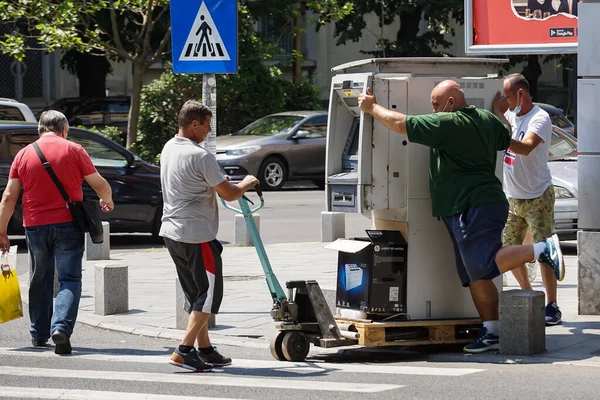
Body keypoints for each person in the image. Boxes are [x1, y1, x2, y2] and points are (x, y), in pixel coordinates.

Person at [357, 80, 564, 353]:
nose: (433, 109)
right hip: (476, 204)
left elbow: (399, 123)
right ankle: (491, 331)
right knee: (473, 275)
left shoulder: (448, 123)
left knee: (483, 265)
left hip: (472, 205)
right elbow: (509, 139)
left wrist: (372, 108)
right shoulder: (488, 119)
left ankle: (542, 248)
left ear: (451, 102)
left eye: (435, 104)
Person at [0, 110, 114, 355]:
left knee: (40, 278)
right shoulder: (74, 150)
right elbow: (100, 184)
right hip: (68, 224)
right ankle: (60, 328)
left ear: (40, 129)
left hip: (34, 226)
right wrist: (107, 200)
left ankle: (39, 335)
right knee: (69, 279)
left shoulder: (22, 155)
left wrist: (2, 230)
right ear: (64, 129)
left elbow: (9, 197)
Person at [160, 100, 259, 372]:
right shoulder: (200, 156)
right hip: (196, 235)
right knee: (207, 295)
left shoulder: (169, 148)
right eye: (206, 125)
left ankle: (204, 349)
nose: (209, 130)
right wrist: (247, 183)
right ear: (194, 124)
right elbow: (228, 192)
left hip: (172, 232)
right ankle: (183, 351)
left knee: (195, 294)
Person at [493, 73, 564, 325]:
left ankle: (552, 305)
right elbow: (504, 127)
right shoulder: (511, 115)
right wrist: (499, 113)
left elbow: (525, 147)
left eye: (508, 95)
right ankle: (529, 295)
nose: (505, 100)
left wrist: (501, 129)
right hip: (513, 198)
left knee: (545, 250)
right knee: (509, 249)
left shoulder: (540, 118)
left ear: (521, 94)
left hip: (538, 196)